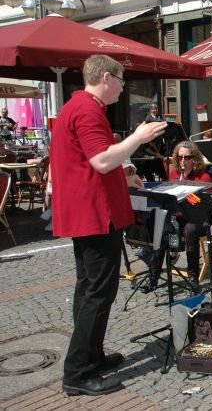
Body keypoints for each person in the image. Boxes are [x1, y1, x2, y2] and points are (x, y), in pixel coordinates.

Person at [50, 54, 166, 396]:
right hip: (95, 215)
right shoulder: (87, 109)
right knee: (97, 294)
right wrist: (138, 137)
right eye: (121, 80)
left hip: (88, 212)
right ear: (105, 77)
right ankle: (79, 372)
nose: (122, 86)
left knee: (89, 290)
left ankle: (91, 355)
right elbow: (101, 161)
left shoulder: (78, 107)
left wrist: (126, 176)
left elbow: (92, 162)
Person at [141, 141, 212, 293]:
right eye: (180, 157)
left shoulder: (203, 176)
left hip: (196, 219)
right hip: (177, 215)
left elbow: (203, 204)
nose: (182, 161)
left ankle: (192, 276)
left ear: (194, 158)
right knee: (158, 226)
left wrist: (186, 195)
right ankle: (154, 276)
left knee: (190, 230)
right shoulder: (173, 173)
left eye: (187, 157)